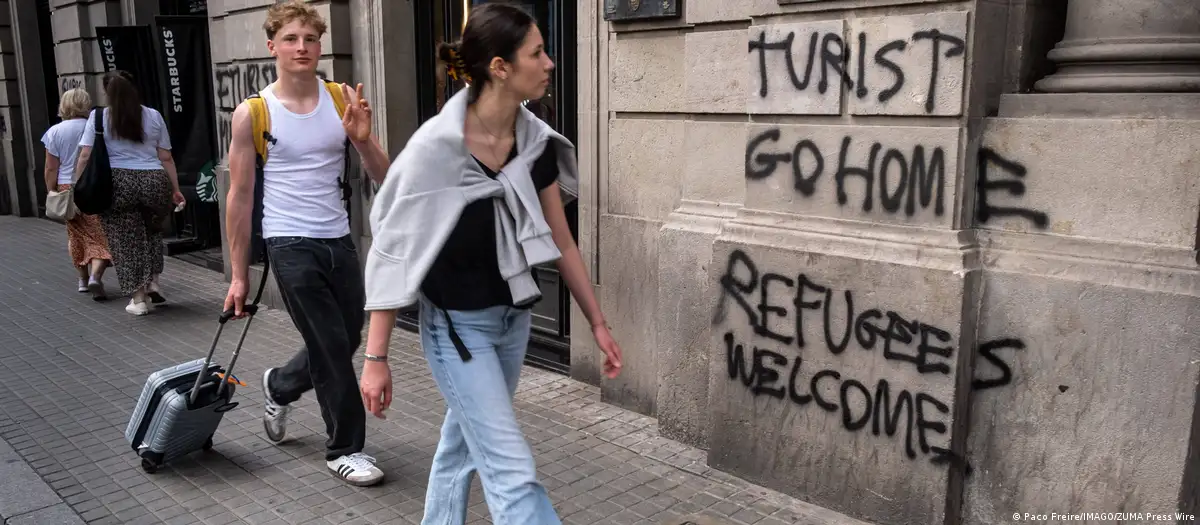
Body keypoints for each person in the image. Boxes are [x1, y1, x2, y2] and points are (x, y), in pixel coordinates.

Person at [359, 4, 623, 523]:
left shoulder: (534, 142)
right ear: (500, 67)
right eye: (537, 53)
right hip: (458, 330)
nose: (549, 63)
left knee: (463, 446)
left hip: (513, 321)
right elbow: (394, 248)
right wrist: (376, 357)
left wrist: (597, 322)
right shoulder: (437, 149)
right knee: (512, 472)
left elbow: (561, 240)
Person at [222, 0, 391, 487]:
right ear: (272, 46)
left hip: (338, 238)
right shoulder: (253, 113)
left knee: (346, 337)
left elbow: (386, 176)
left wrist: (363, 139)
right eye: (291, 39)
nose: (302, 47)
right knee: (332, 347)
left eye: (311, 39)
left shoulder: (341, 98)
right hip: (288, 242)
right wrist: (238, 275)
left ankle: (280, 384)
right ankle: (345, 449)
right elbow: (239, 197)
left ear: (320, 46)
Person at [75, 71, 185, 316]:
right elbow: (166, 156)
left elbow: (85, 154)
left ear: (106, 92)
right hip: (154, 180)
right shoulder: (153, 115)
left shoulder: (99, 117)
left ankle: (138, 299)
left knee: (125, 242)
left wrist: (78, 186)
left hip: (118, 183)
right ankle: (153, 281)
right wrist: (175, 189)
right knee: (152, 233)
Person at [44, 87, 112, 300]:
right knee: (101, 234)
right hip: (93, 185)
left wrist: (51, 190)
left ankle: (82, 280)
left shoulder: (54, 132)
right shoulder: (96, 126)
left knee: (75, 235)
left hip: (66, 188)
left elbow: (51, 167)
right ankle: (95, 276)